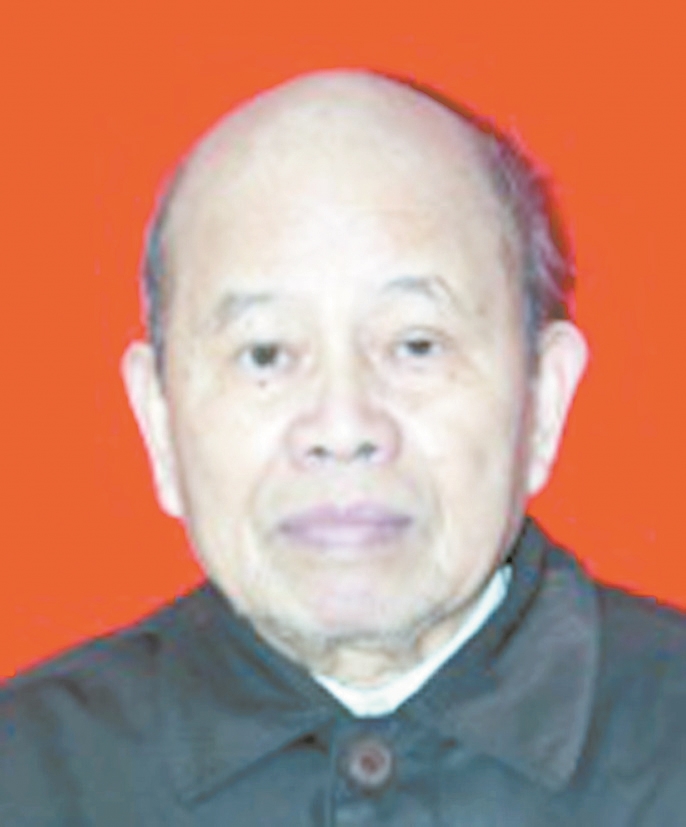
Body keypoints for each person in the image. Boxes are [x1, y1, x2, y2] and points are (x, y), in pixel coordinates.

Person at [1, 69, 684, 825]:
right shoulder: (27, 776)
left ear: (544, 402)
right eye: (265, 354)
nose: (342, 427)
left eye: (416, 345)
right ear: (158, 422)